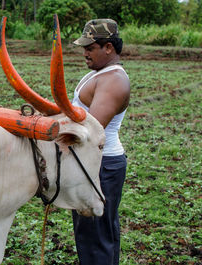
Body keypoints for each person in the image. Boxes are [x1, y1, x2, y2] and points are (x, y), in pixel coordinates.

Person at [71, 19, 130, 265]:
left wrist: (48, 129)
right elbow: (77, 113)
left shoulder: (114, 80)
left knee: (95, 237)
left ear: (108, 48)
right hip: (96, 163)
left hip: (101, 166)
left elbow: (90, 129)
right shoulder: (99, 73)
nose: (84, 52)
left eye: (90, 47)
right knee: (98, 234)